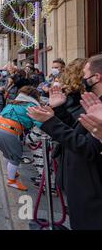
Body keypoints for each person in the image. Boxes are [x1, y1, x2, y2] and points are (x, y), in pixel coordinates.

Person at [26, 54, 102, 230]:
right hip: (80, 184)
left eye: (85, 74)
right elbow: (77, 130)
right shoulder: (92, 101)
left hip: (92, 191)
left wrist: (49, 123)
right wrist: (58, 109)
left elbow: (87, 147)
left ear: (96, 77)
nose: (83, 78)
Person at [0, 86, 42, 191]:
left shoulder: (13, 102)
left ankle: (11, 172)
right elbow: (39, 123)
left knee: (7, 153)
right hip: (10, 131)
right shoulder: (32, 106)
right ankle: (11, 181)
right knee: (16, 157)